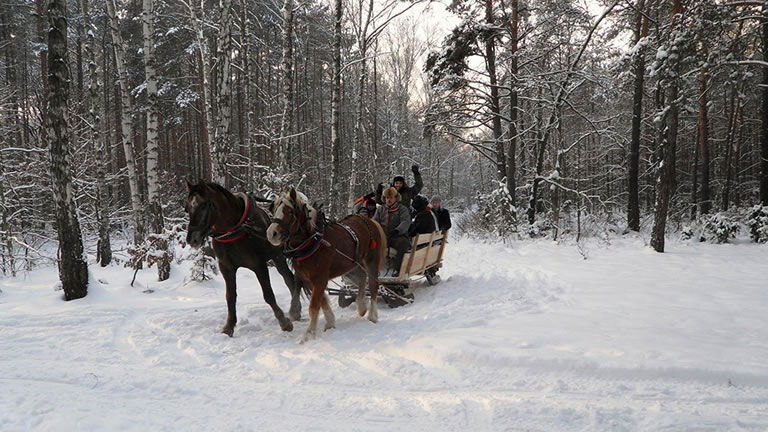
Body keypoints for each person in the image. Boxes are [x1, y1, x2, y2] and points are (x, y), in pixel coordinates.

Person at [373, 187, 411, 276]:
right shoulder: (380, 209)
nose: (388, 200)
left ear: (396, 198)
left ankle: (398, 270)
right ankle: (373, 269)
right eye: (387, 198)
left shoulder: (402, 209)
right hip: (383, 237)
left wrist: (397, 231)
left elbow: (406, 221)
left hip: (397, 236)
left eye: (391, 198)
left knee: (403, 244)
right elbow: (375, 222)